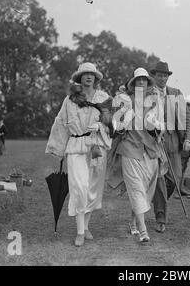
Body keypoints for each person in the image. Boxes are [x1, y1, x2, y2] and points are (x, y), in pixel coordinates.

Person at [45, 62, 113, 247]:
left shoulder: (104, 98)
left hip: (96, 145)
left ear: (96, 78)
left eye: (92, 74)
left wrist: (100, 125)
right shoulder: (71, 99)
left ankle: (86, 226)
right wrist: (58, 149)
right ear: (79, 78)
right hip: (76, 145)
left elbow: (112, 122)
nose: (89, 77)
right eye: (85, 74)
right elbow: (60, 122)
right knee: (80, 187)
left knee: (93, 189)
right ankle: (80, 232)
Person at [112, 67, 166, 243]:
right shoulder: (125, 100)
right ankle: (143, 232)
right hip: (130, 148)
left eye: (144, 79)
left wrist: (157, 127)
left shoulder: (155, 101)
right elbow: (117, 125)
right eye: (138, 80)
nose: (141, 82)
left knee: (145, 192)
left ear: (148, 82)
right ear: (133, 83)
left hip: (150, 150)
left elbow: (162, 125)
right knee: (136, 189)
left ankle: (133, 222)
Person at [150, 61, 190, 233]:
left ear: (168, 77)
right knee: (160, 179)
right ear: (154, 76)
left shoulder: (176, 93)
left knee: (174, 178)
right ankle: (161, 218)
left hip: (174, 140)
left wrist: (188, 139)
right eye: (159, 75)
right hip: (154, 142)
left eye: (165, 75)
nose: (162, 78)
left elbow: (186, 119)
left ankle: (157, 201)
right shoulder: (147, 93)